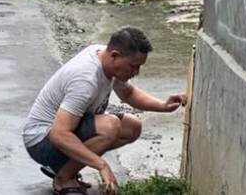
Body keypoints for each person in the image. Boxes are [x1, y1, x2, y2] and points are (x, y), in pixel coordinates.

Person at [23, 27, 186, 195]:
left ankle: (64, 167)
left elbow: (128, 93)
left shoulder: (104, 56)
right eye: (133, 66)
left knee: (132, 127)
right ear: (114, 55)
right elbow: (59, 134)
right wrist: (102, 165)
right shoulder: (85, 79)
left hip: (61, 132)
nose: (136, 72)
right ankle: (63, 178)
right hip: (40, 141)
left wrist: (163, 106)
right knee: (110, 126)